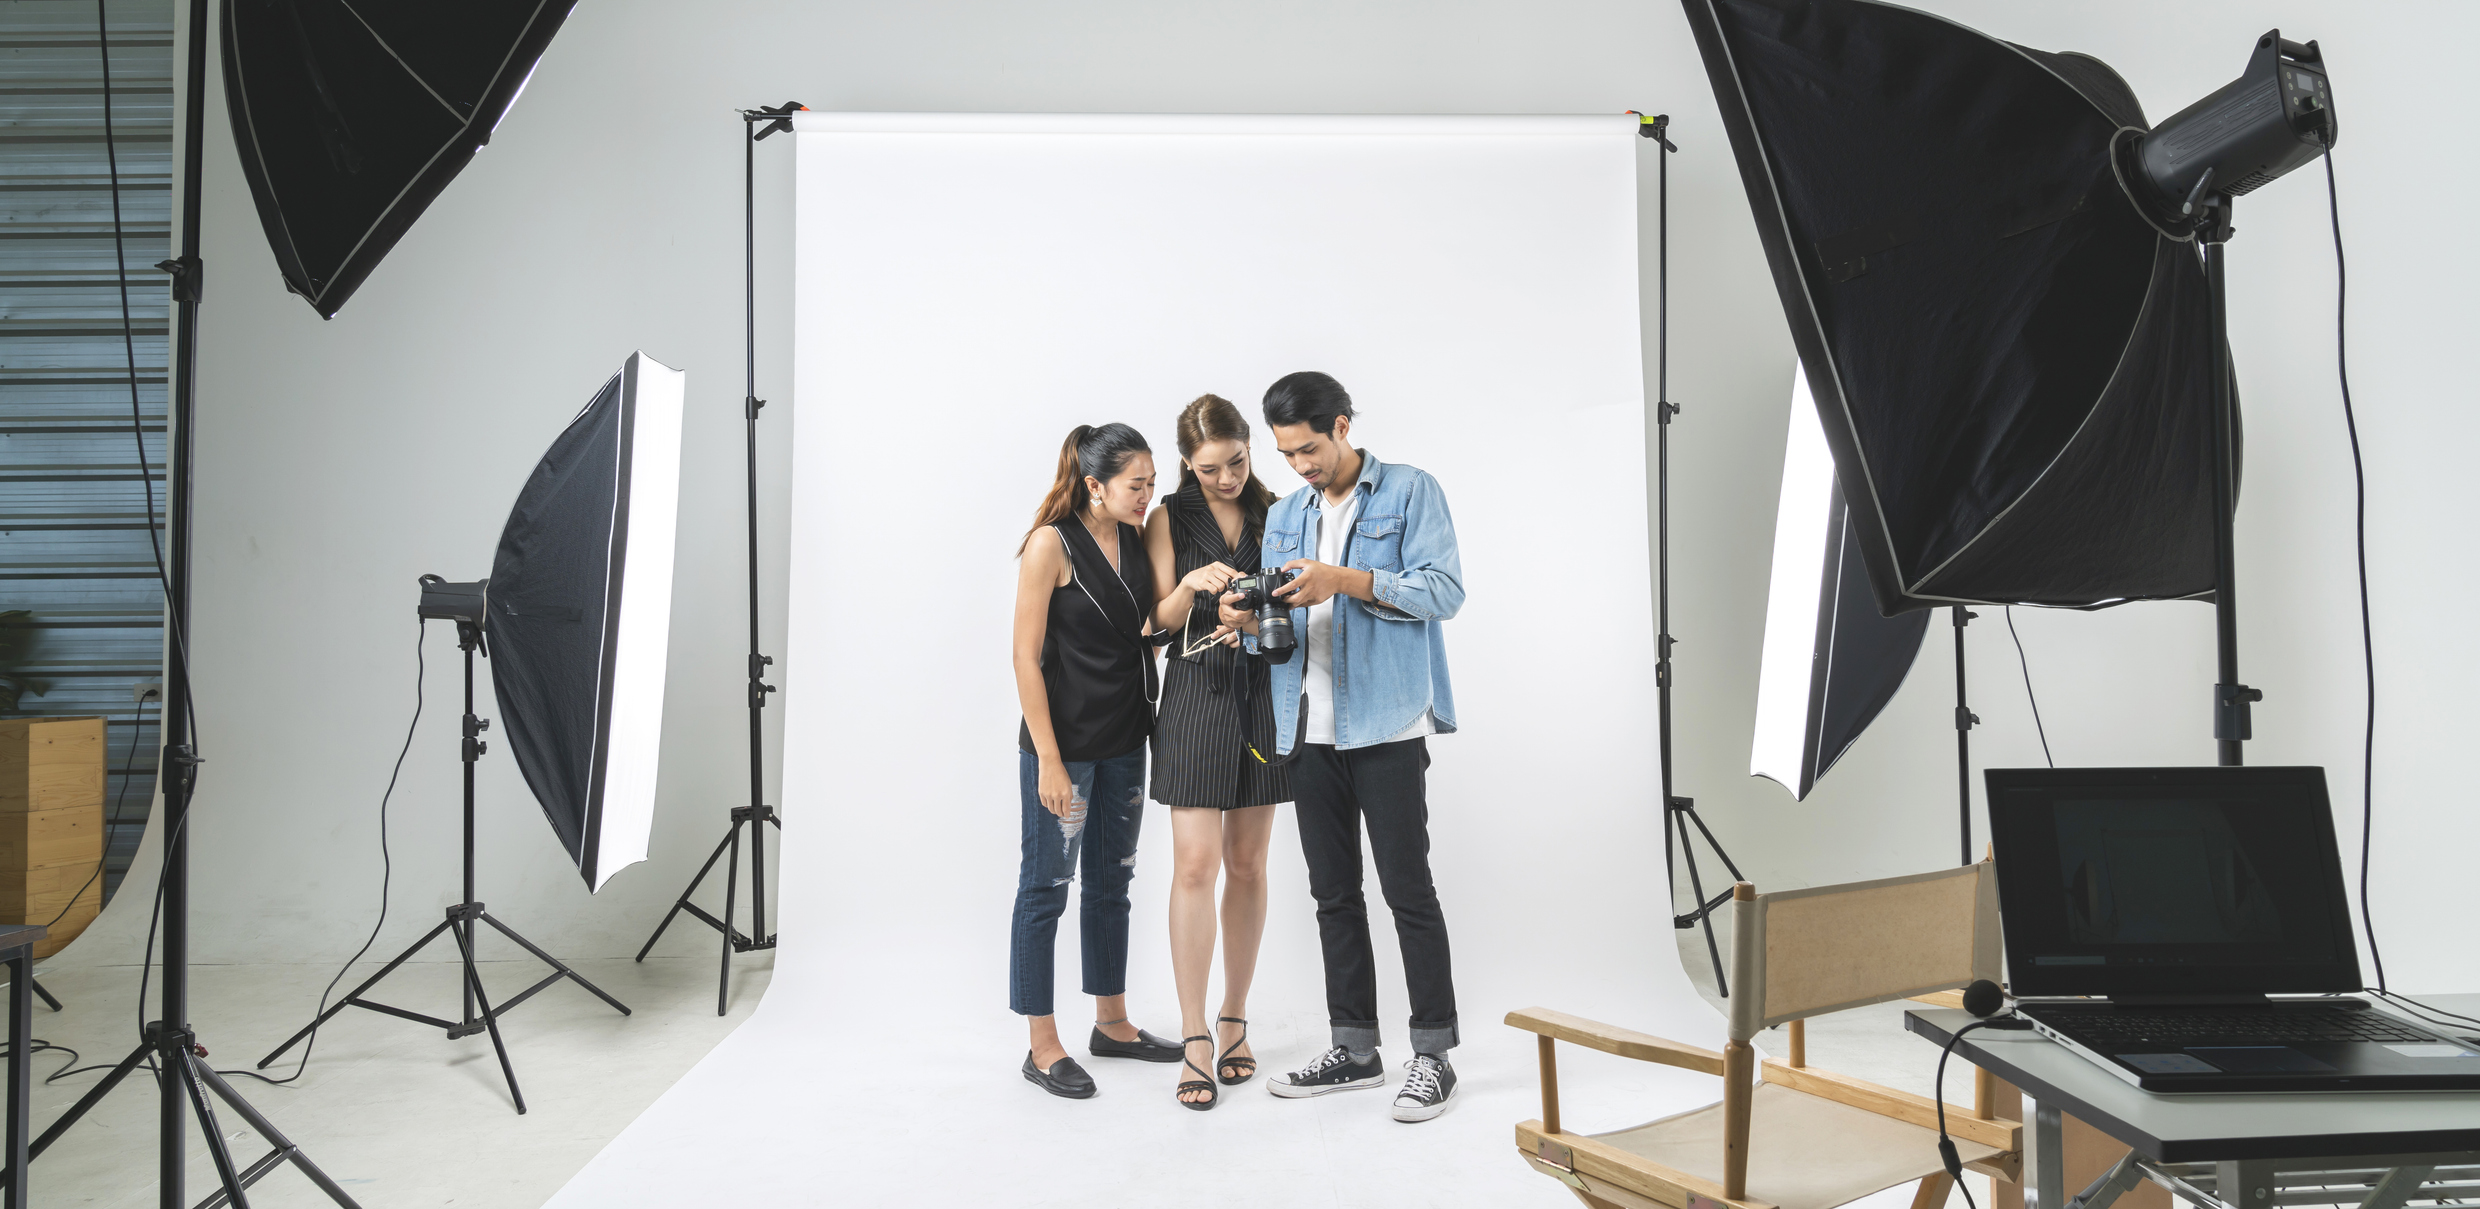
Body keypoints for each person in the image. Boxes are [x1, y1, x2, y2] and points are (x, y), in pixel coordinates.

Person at [1221, 371, 1466, 1123]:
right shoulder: (1287, 512)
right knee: (1333, 895)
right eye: (1288, 455)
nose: (1301, 467)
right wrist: (1246, 613)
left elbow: (1443, 591)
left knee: (1407, 891)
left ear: (1342, 424)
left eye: (1310, 449)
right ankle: (1355, 1047)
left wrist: (1347, 580)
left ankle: (1433, 1055)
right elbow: (1283, 612)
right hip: (1306, 727)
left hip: (1387, 724)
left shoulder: (1411, 491)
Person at [1010, 422, 1184, 1099]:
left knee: (1112, 882)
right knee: (1046, 888)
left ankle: (1111, 1021)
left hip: (1124, 740)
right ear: (1094, 485)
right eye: (1135, 486)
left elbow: (1142, 632)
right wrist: (1050, 760)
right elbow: (1025, 657)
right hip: (1065, 748)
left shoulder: (1137, 542)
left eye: (1150, 486)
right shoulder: (1050, 546)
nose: (1146, 497)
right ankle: (1042, 1041)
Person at [1142, 395, 1289, 1111]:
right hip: (1196, 693)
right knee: (1195, 864)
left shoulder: (1279, 511)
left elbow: (1301, 602)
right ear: (1186, 464)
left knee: (1249, 863)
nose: (1227, 477)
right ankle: (1195, 1032)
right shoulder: (1170, 516)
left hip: (1263, 690)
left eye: (1238, 461)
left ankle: (1235, 1016)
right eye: (1211, 468)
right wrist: (1194, 589)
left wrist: (1258, 613)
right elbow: (1153, 621)